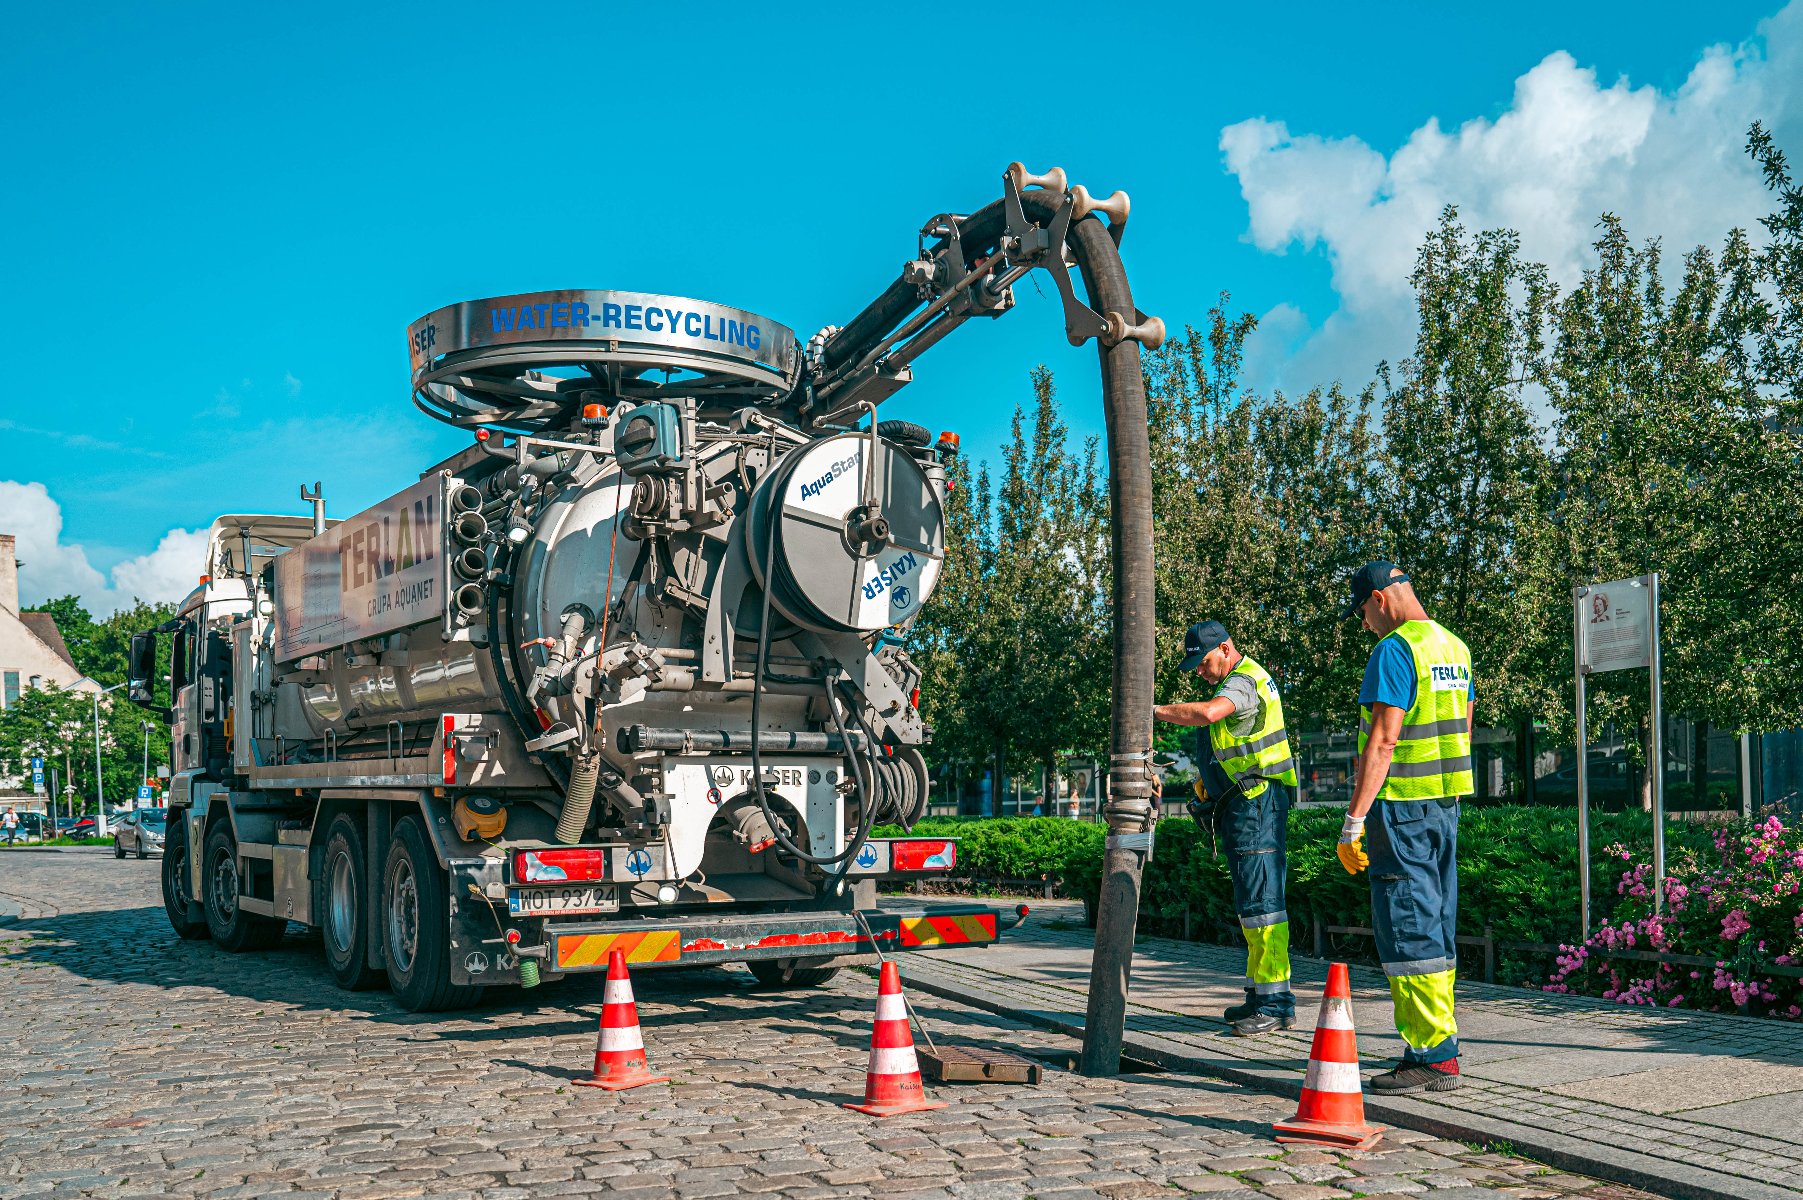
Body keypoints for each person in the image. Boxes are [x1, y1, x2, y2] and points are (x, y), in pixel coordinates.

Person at [1337, 561, 1474, 1093]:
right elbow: (1461, 727)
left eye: (1363, 614)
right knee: (1437, 922)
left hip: (1402, 808)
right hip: (1445, 806)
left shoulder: (1395, 650)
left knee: (1408, 923)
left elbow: (1384, 741)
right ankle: (1440, 1043)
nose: (1366, 624)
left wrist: (1354, 820)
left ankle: (1432, 1054)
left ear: (1379, 599)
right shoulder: (1454, 647)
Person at [1153, 620, 1299, 1036]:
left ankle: (1276, 1003)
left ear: (1226, 648)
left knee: (1263, 904)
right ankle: (1260, 996)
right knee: (1252, 905)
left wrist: (1154, 711)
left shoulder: (1243, 682)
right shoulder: (1235, 682)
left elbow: (1209, 714)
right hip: (1245, 803)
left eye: (1203, 662)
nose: (1199, 671)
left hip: (1257, 805)